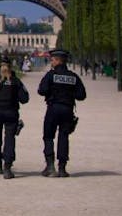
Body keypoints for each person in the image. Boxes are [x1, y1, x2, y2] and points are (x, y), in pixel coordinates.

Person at [38, 48, 87, 178]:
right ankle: (62, 168)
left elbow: (41, 91)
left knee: (48, 136)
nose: (51, 62)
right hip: (67, 109)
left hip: (53, 108)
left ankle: (50, 166)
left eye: (52, 60)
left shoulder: (50, 75)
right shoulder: (73, 77)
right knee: (64, 136)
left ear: (58, 60)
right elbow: (81, 95)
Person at [0, 57, 29, 179]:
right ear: (11, 67)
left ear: (0, 67)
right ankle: (7, 167)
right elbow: (25, 99)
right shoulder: (15, 81)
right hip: (11, 113)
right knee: (9, 139)